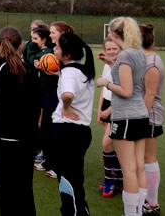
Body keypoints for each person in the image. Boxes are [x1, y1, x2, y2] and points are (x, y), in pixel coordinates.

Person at [0, 27, 41, 215]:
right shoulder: (31, 69)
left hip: (5, 145)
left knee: (7, 197)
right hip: (26, 144)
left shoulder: (2, 70)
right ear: (21, 45)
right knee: (25, 194)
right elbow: (37, 107)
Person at [96, 17, 149, 216]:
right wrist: (111, 63)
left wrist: (105, 83)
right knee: (138, 167)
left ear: (116, 34)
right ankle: (139, 210)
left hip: (126, 116)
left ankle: (131, 213)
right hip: (139, 115)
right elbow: (130, 78)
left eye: (110, 33)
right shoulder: (138, 53)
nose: (109, 36)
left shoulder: (126, 55)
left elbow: (126, 90)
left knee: (128, 170)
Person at [52, 32, 95, 216]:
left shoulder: (69, 71)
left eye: (57, 47)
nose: (54, 48)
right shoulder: (83, 68)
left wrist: (67, 107)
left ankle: (73, 212)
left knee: (68, 180)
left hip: (68, 131)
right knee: (72, 178)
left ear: (67, 54)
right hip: (79, 131)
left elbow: (68, 94)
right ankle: (77, 211)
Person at [140, 24, 165, 216]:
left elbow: (149, 95)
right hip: (139, 115)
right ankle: (143, 198)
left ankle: (152, 203)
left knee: (149, 157)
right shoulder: (140, 58)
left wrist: (138, 118)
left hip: (148, 116)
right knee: (140, 158)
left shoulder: (152, 62)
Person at [30, 27, 59, 179]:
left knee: (53, 129)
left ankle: (56, 163)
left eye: (53, 32)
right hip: (46, 93)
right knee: (46, 126)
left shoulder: (53, 52)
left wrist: (55, 70)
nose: (51, 34)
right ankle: (47, 159)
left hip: (55, 94)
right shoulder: (48, 52)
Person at [96, 37, 124, 197]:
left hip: (117, 107)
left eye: (114, 48)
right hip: (107, 105)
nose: (111, 51)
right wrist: (100, 109)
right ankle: (118, 180)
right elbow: (104, 88)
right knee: (112, 146)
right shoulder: (107, 65)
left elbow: (124, 91)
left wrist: (110, 111)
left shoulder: (122, 66)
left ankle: (110, 181)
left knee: (107, 143)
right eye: (109, 49)